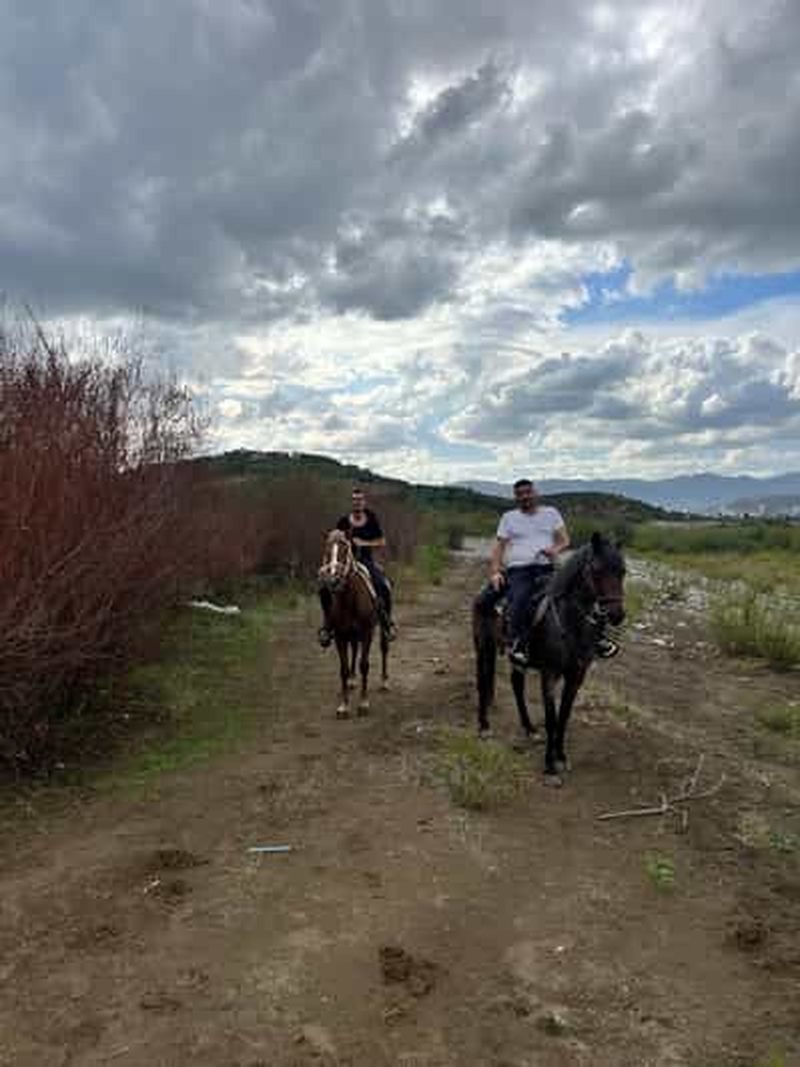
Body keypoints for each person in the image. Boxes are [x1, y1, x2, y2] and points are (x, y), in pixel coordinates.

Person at [483, 478, 619, 666]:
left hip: (548, 566)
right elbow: (499, 548)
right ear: (515, 497)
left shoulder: (551, 513)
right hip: (520, 570)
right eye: (520, 494)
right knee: (521, 598)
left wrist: (554, 549)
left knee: (583, 594)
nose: (524, 497)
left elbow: (565, 540)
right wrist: (495, 572)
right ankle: (518, 644)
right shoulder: (508, 518)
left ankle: (598, 638)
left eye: (528, 492)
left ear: (535, 493)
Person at [318, 487, 397, 647]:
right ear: (351, 502)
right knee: (324, 587)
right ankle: (327, 626)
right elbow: (334, 541)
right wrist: (329, 559)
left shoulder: (372, 518)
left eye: (360, 500)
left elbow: (382, 541)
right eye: (354, 500)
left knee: (383, 585)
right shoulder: (343, 521)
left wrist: (364, 542)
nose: (357, 503)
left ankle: (387, 624)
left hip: (366, 561)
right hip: (344, 563)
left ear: (364, 502)